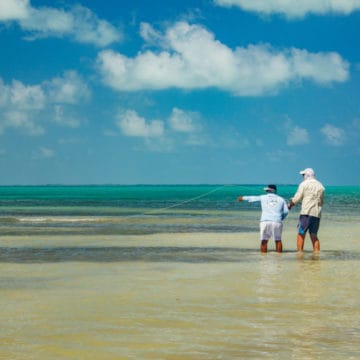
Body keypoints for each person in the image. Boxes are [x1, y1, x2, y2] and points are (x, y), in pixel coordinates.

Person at [237, 185, 289, 253]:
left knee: (264, 241)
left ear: (267, 190)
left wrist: (242, 198)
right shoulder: (281, 199)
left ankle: (263, 259)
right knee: (278, 240)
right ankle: (279, 259)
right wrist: (280, 218)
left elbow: (252, 198)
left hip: (265, 222)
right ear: (275, 191)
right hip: (277, 222)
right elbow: (286, 211)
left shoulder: (262, 197)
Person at [288, 168, 325, 252]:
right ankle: (316, 255)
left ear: (307, 175)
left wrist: (290, 205)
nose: (302, 177)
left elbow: (297, 198)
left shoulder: (304, 184)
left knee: (301, 234)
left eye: (303, 175)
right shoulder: (321, 186)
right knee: (314, 235)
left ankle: (300, 254)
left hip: (306, 213)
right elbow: (322, 202)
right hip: (317, 214)